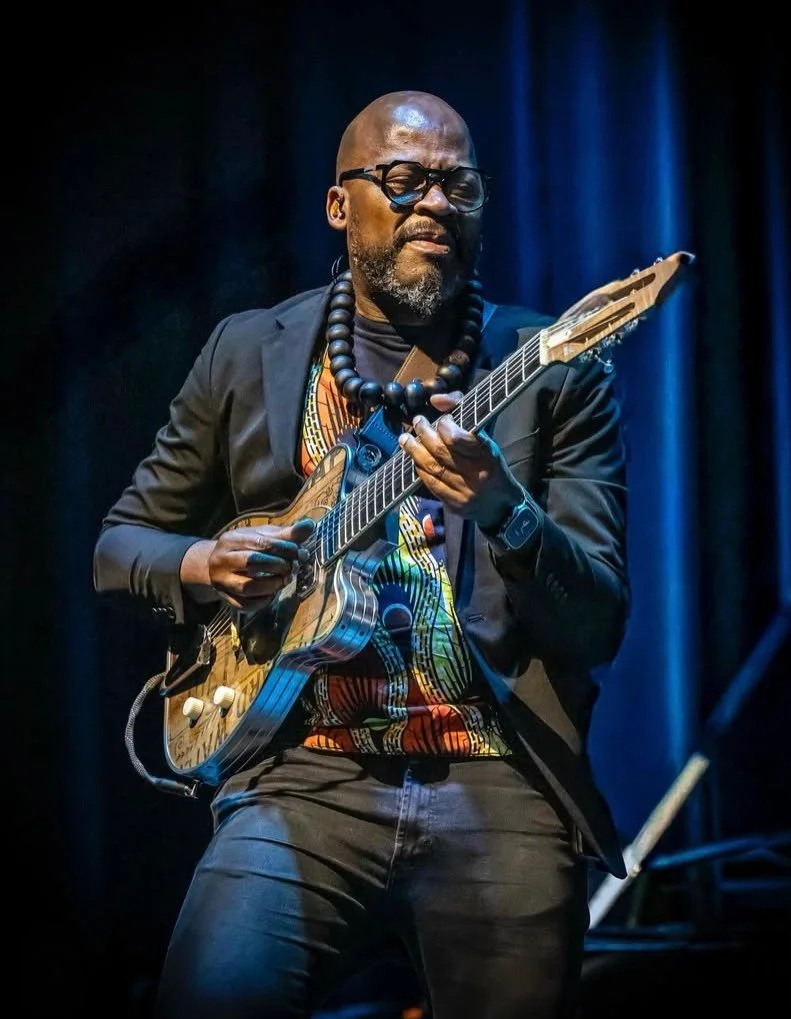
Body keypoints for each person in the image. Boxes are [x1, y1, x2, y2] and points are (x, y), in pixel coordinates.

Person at [93, 89, 630, 1019]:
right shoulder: (247, 352)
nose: (434, 204)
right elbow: (118, 545)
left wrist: (503, 508)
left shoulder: (551, 368)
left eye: (457, 187)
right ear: (341, 204)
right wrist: (205, 563)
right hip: (302, 776)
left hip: (497, 777)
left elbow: (600, 618)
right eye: (404, 179)